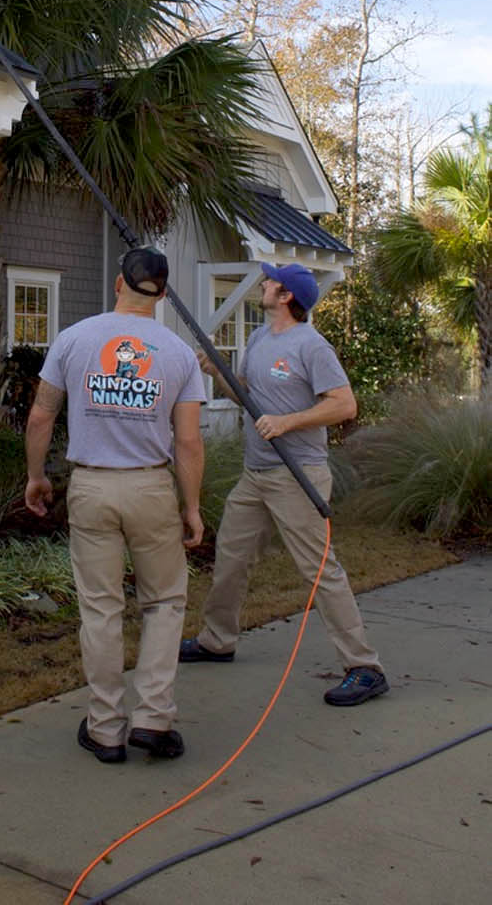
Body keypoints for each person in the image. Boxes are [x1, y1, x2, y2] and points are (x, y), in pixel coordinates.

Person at [24, 246, 206, 763]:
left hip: (91, 487)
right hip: (150, 488)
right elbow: (189, 443)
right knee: (165, 602)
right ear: (163, 294)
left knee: (101, 609)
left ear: (118, 284)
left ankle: (105, 728)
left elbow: (41, 416)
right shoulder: (174, 352)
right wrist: (191, 506)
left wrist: (37, 476)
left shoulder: (74, 339)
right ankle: (153, 718)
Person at [183, 261, 389, 707]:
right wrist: (217, 371)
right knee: (232, 557)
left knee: (320, 570)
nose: (265, 282)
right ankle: (217, 640)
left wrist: (289, 421)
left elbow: (344, 405)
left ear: (287, 296)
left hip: (298, 477)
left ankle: (364, 667)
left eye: (272, 280)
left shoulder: (311, 346)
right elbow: (247, 396)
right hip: (256, 474)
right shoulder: (260, 337)